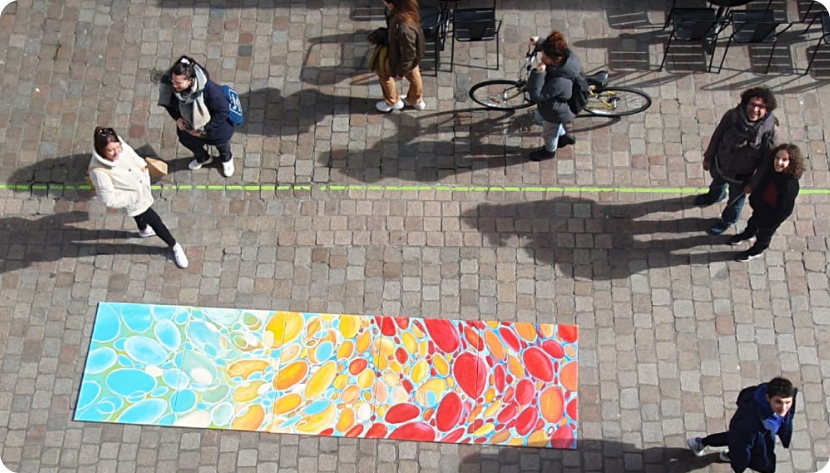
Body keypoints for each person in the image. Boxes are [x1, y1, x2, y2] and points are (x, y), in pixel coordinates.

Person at [88, 127, 189, 269]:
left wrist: (142, 166)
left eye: (117, 147)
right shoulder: (99, 172)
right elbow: (109, 199)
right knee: (155, 221)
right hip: (133, 198)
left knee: (138, 214)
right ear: (101, 150)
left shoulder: (120, 145)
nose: (117, 152)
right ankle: (174, 245)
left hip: (140, 188)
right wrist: (134, 196)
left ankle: (144, 230)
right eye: (111, 150)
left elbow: (131, 154)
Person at [696, 87, 779, 235]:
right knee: (716, 183)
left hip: (742, 177)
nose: (755, 109)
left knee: (735, 203)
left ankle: (727, 221)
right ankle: (714, 196)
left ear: (767, 110)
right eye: (752, 104)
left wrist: (753, 183)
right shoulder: (732, 116)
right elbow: (718, 135)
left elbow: (766, 163)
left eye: (761, 107)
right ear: (746, 104)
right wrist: (708, 157)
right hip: (720, 164)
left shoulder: (769, 131)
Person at [687, 377, 797, 473]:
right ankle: (718, 450)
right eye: (778, 402)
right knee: (739, 443)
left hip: (750, 434)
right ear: (768, 398)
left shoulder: (762, 394)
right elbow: (742, 449)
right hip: (751, 434)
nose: (784, 408)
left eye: (788, 402)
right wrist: (739, 464)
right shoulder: (750, 422)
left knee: (732, 438)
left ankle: (701, 443)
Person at [158, 55, 236, 177]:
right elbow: (169, 104)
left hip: (214, 128)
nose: (174, 85)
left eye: (178, 83)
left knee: (222, 145)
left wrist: (204, 129)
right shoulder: (172, 87)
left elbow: (223, 111)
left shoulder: (210, 91)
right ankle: (203, 158)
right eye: (173, 81)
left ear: (190, 80)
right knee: (191, 143)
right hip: (188, 127)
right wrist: (177, 118)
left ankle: (226, 159)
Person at [728, 144, 804, 262]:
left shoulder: (790, 185)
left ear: (791, 162)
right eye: (777, 158)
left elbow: (785, 210)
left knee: (764, 236)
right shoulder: (771, 169)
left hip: (771, 217)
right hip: (760, 207)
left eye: (784, 160)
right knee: (752, 222)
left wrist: (770, 223)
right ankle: (748, 234)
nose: (779, 162)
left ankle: (755, 251)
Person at [526, 32, 581, 162]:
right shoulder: (567, 56)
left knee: (548, 133)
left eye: (545, 57)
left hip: (555, 112)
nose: (542, 58)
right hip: (553, 106)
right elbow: (554, 49)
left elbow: (537, 96)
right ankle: (563, 137)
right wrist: (540, 42)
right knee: (540, 119)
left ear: (555, 60)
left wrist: (539, 74)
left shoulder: (559, 81)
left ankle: (549, 151)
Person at [375, 0, 425, 113]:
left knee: (383, 72)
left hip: (401, 56)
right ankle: (415, 100)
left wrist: (400, 72)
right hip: (414, 55)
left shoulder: (404, 29)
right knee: (414, 74)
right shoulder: (409, 10)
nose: (384, 4)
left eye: (385, 2)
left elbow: (408, 55)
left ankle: (392, 101)